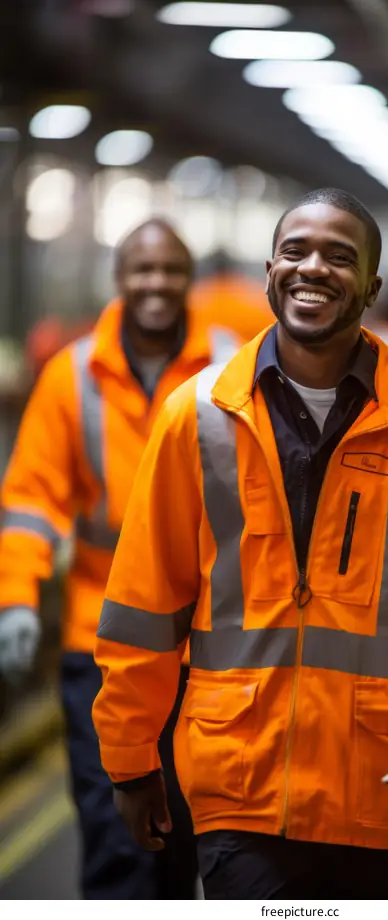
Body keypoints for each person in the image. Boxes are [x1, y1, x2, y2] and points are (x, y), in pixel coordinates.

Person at [92, 189, 388, 900]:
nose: (312, 268)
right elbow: (145, 602)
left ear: (372, 288)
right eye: (295, 251)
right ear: (269, 272)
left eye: (339, 256)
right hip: (241, 788)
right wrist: (131, 759)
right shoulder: (196, 419)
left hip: (385, 791)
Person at [0, 218, 213, 899]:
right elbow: (32, 499)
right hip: (100, 642)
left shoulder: (234, 365)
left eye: (171, 269)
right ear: (118, 279)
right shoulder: (73, 376)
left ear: (189, 279)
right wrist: (15, 599)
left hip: (205, 646)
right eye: (142, 270)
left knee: (186, 835)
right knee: (116, 832)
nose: (157, 283)